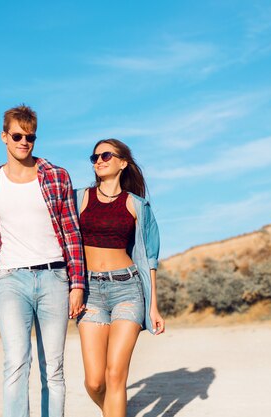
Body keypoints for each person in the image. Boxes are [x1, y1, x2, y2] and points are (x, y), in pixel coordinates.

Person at [0, 104, 85, 417]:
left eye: (30, 137)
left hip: (55, 278)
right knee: (16, 363)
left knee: (53, 369)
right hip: (12, 280)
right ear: (4, 136)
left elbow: (72, 234)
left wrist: (77, 285)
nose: (24, 142)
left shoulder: (56, 176)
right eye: (17, 135)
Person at [75, 138, 164, 417]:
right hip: (90, 293)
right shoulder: (79, 198)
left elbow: (150, 258)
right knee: (95, 381)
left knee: (116, 374)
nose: (99, 161)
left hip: (127, 290)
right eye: (95, 157)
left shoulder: (137, 205)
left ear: (123, 163)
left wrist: (154, 306)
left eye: (106, 155)